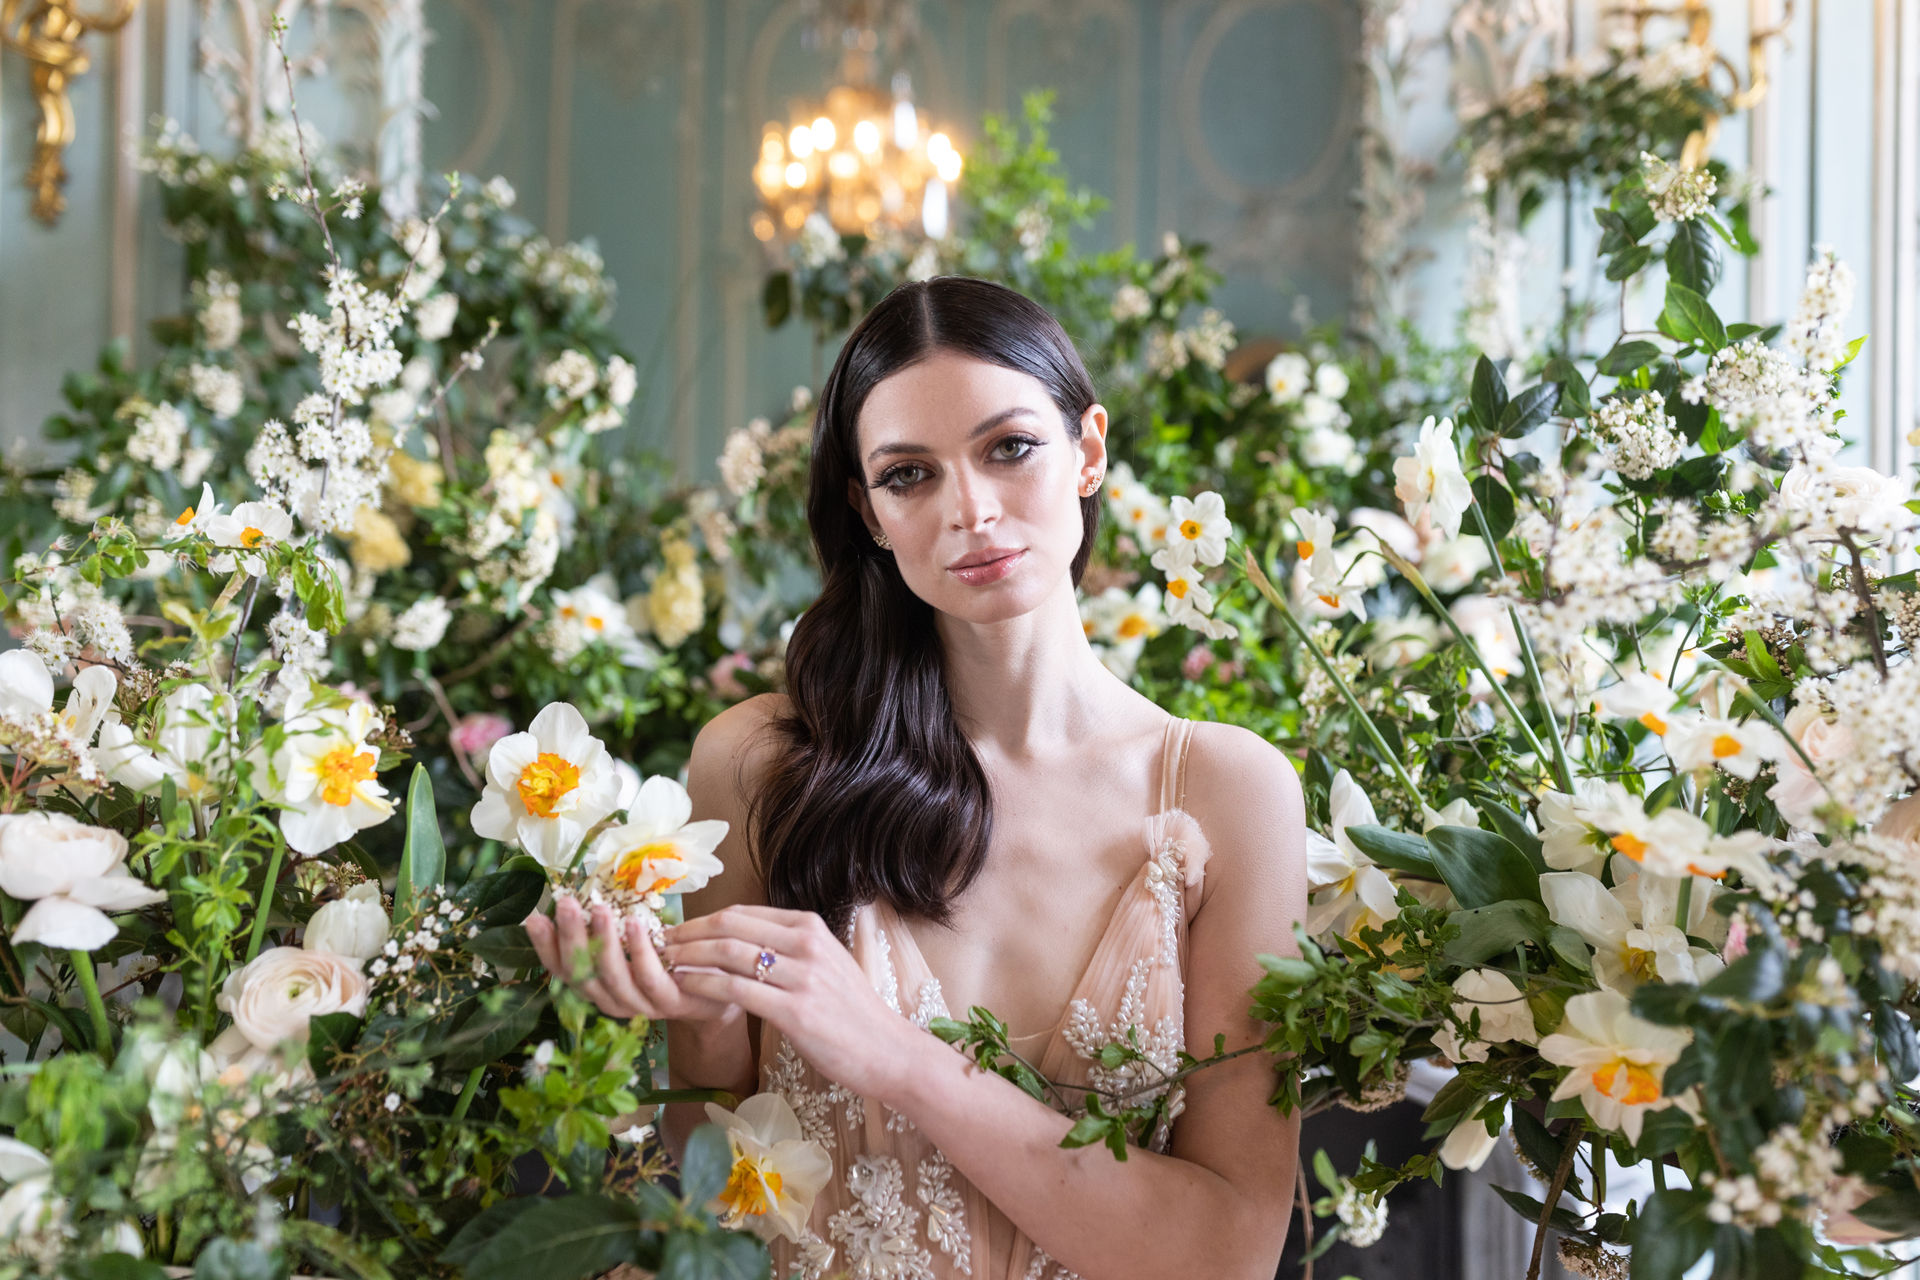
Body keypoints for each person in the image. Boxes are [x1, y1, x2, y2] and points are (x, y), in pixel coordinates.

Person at [526, 275, 1307, 1279]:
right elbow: (723, 1182)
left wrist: (892, 1055)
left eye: (1009, 447)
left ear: (1089, 450)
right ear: (870, 510)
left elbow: (1228, 1252)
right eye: (910, 474)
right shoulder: (761, 764)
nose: (970, 509)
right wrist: (704, 1013)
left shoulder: (1226, 792)